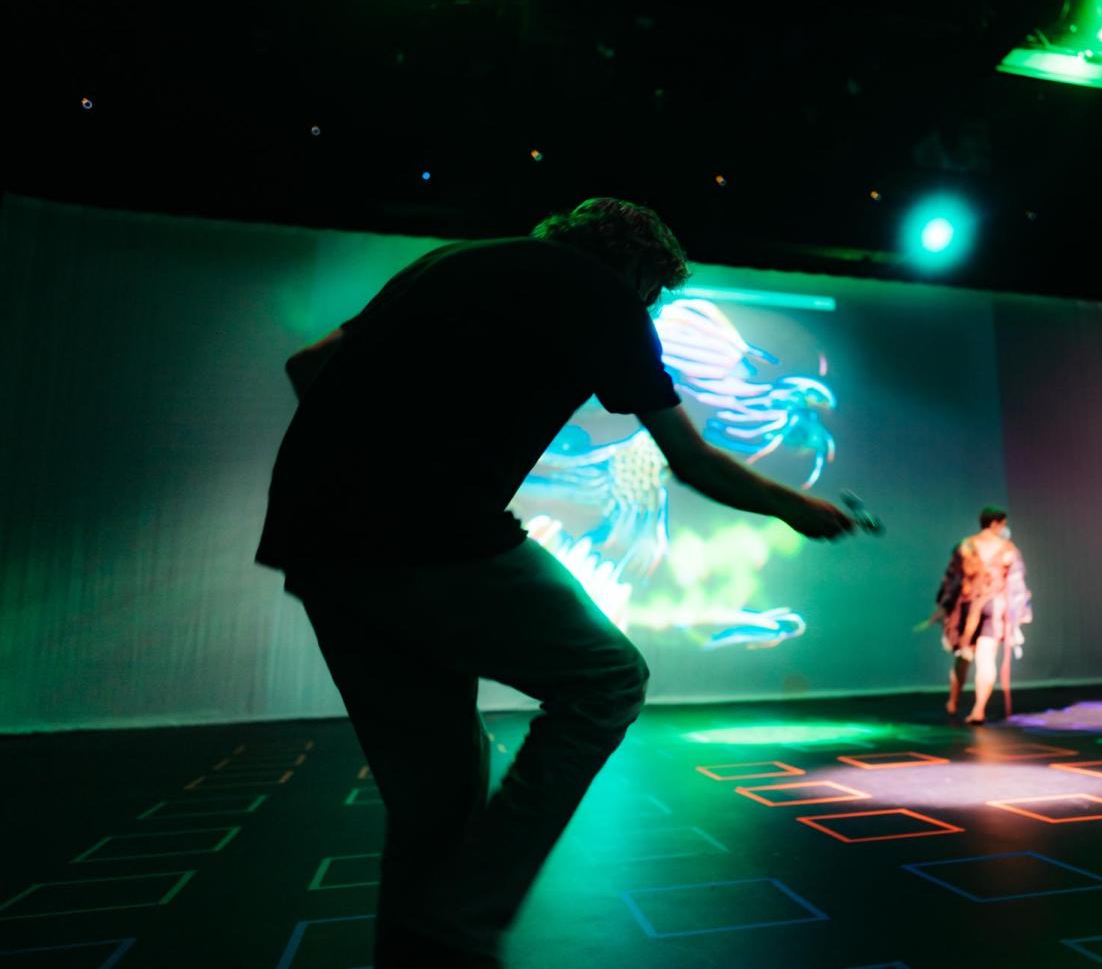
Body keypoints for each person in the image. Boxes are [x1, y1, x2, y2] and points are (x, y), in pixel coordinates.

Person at [254, 198, 854, 968]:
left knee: (435, 798)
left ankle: (430, 949)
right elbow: (691, 459)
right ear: (636, 267)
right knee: (608, 680)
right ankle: (461, 914)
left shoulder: (449, 262)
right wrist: (794, 506)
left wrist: (372, 455)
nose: (652, 307)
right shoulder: (606, 298)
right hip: (439, 535)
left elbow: (307, 365)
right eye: (655, 291)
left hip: (318, 547)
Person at [934, 507, 1032, 723]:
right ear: (997, 523)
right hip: (993, 606)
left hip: (969, 606)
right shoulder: (1007, 549)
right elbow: (1016, 584)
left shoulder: (965, 546)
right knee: (985, 658)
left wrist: (944, 605)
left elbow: (951, 580)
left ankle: (953, 702)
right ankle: (978, 710)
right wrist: (1021, 614)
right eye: (1004, 524)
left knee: (964, 656)